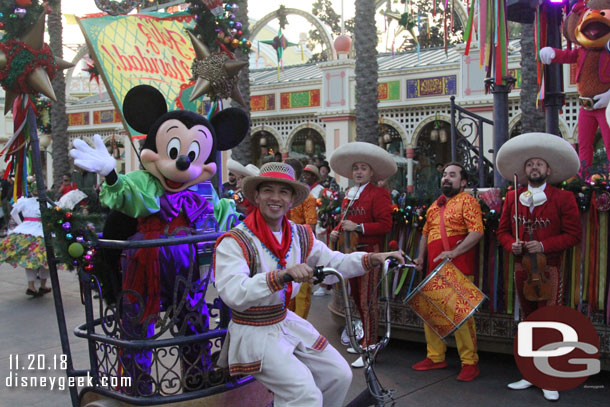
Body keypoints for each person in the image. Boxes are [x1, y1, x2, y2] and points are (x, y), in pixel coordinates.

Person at [213, 162, 404, 407]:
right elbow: (233, 293)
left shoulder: (300, 235)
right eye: (268, 190)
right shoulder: (235, 241)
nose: (275, 197)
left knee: (339, 375)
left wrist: (372, 259)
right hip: (252, 331)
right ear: (257, 196)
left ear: (292, 200)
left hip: (284, 321)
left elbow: (334, 263)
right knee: (304, 395)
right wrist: (281, 276)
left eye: (283, 192)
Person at [496, 132, 581, 402]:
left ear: (548, 170)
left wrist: (543, 246)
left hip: (550, 268)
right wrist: (513, 246)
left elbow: (573, 235)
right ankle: (531, 373)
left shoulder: (563, 198)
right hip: (522, 268)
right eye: (530, 165)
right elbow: (502, 233)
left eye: (539, 164)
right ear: (525, 170)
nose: (534, 168)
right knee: (529, 322)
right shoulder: (513, 197)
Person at [412, 162, 484, 382]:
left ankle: (470, 362)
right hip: (433, 267)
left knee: (462, 317)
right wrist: (421, 257)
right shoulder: (435, 205)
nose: (446, 178)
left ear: (463, 182)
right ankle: (435, 357)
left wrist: (454, 252)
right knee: (431, 315)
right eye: (444, 174)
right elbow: (425, 233)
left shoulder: (468, 201)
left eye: (452, 175)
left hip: (458, 267)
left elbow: (477, 232)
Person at [329, 142, 396, 368]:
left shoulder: (379, 194)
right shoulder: (349, 194)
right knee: (357, 299)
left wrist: (357, 227)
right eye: (356, 168)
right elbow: (344, 220)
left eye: (363, 168)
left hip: (370, 254)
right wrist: (337, 230)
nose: (358, 171)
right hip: (350, 254)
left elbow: (386, 224)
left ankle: (370, 347)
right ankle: (364, 340)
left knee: (368, 301)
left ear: (371, 172)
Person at [0, 183, 51, 297]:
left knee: (29, 259)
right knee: (45, 260)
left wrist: (21, 224)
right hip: (41, 232)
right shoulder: (46, 202)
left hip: (25, 231)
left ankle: (31, 286)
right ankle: (43, 285)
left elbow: (13, 213)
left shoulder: (24, 201)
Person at [284, 158, 318, 319]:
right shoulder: (283, 194)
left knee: (302, 293)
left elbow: (311, 226)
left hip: (300, 249)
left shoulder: (307, 197)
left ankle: (301, 330)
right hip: (283, 249)